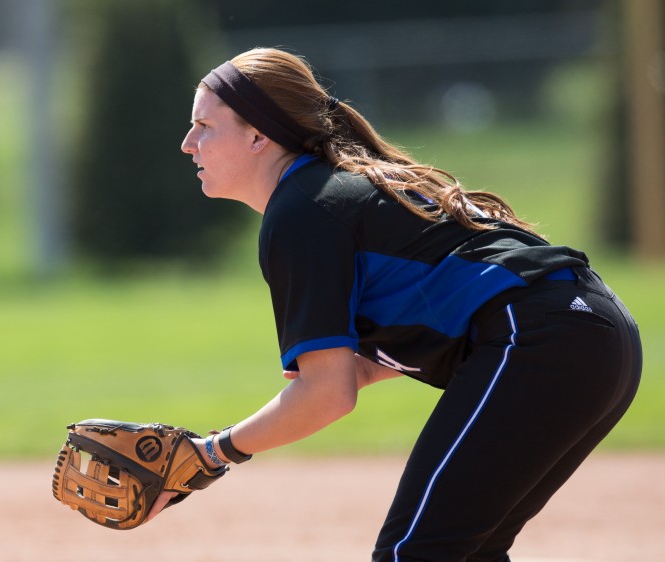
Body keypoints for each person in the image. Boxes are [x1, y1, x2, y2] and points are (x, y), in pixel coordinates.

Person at [148, 47, 643, 562]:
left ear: (257, 136)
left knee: (415, 553)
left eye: (204, 125)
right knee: (467, 552)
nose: (188, 144)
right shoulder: (335, 191)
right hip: (594, 332)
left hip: (542, 337)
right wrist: (356, 372)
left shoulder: (302, 210)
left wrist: (209, 454)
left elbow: (327, 394)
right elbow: (364, 365)